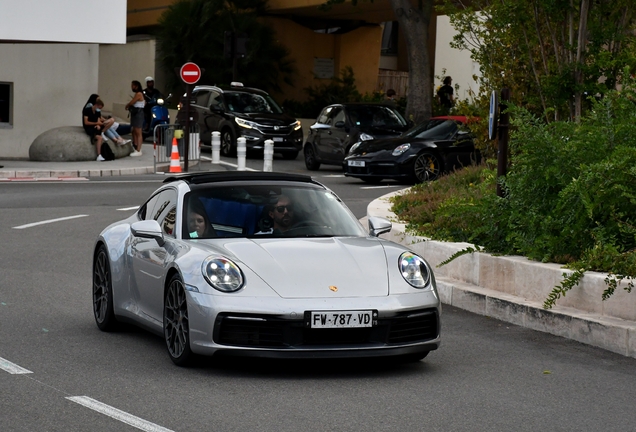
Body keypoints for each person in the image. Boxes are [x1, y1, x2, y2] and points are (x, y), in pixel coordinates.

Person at [83, 95, 115, 161]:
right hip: (89, 128)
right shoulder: (87, 110)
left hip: (95, 126)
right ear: (96, 105)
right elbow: (86, 122)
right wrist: (97, 124)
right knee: (99, 138)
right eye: (99, 108)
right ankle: (99, 155)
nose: (99, 110)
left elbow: (98, 120)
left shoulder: (97, 112)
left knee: (110, 121)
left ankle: (102, 132)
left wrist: (98, 125)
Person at [125, 80, 145, 156]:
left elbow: (132, 102)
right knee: (134, 130)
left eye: (133, 86)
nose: (132, 87)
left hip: (138, 114)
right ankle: (135, 144)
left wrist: (127, 105)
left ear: (136, 86)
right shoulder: (138, 94)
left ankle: (138, 149)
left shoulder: (139, 94)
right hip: (136, 114)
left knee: (138, 131)